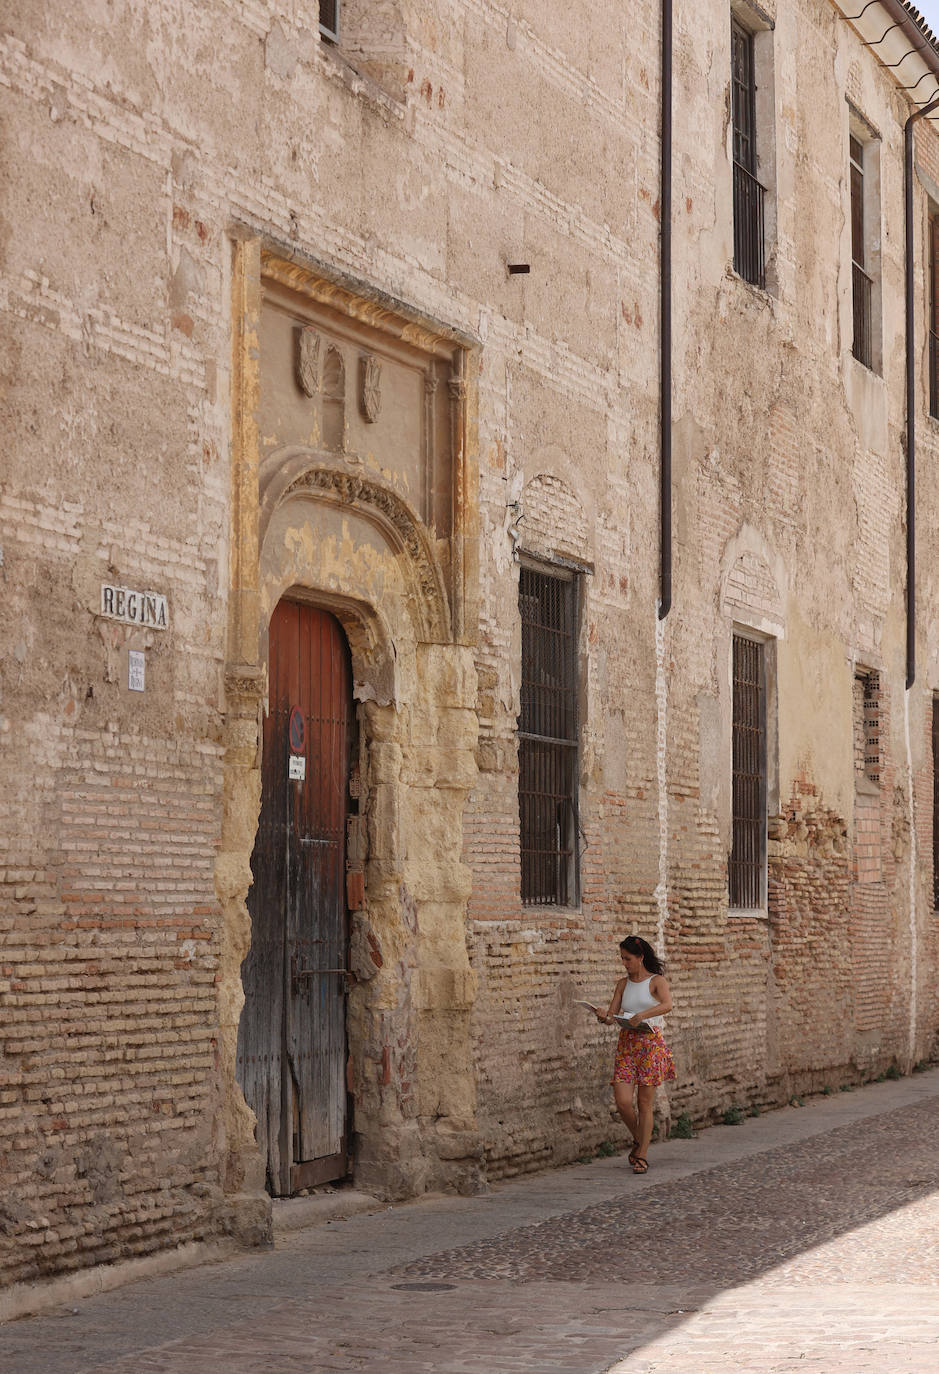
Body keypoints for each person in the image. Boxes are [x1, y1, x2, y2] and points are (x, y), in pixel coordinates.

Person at [596, 934, 675, 1174]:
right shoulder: (622, 984)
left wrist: (643, 1015)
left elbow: (668, 1004)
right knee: (622, 1101)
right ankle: (639, 1139)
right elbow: (612, 1017)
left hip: (650, 1045)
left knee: (644, 1103)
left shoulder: (656, 981)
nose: (624, 963)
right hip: (627, 1046)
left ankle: (641, 1154)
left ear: (640, 958)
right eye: (622, 958)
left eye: (628, 958)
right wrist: (602, 1016)